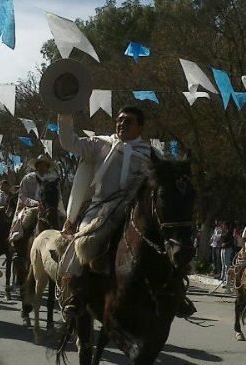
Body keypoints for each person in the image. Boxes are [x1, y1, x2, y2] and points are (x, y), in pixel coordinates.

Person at [56, 106, 198, 319]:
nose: (121, 124)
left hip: (135, 210)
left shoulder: (151, 153)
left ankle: (177, 292)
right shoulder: (99, 144)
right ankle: (77, 292)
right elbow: (69, 142)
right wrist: (65, 112)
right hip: (100, 209)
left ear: (140, 127)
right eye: (119, 120)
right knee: (84, 241)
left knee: (166, 244)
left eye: (128, 121)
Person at [8, 155, 59, 244]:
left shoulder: (52, 180)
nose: (42, 167)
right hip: (30, 207)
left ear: (47, 167)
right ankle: (19, 247)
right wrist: (35, 203)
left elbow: (58, 196)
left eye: (44, 165)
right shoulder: (28, 178)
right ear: (36, 166)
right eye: (40, 165)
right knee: (26, 222)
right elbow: (22, 196)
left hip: (49, 207)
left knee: (61, 221)